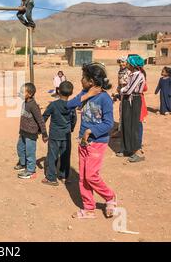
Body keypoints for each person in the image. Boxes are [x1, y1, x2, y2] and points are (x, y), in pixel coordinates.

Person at [67, 63, 116, 219]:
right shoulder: (84, 93)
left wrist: (91, 131)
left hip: (97, 142)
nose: (81, 80)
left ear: (91, 81)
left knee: (91, 176)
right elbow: (69, 105)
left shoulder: (105, 99)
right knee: (82, 177)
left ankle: (109, 197)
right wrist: (87, 95)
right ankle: (89, 209)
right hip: (83, 141)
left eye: (84, 77)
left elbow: (108, 123)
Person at [42, 81, 76, 186]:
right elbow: (74, 119)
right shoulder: (72, 106)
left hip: (54, 135)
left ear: (58, 91)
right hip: (66, 135)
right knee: (65, 156)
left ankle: (51, 178)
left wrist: (43, 132)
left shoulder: (53, 105)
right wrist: (71, 129)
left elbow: (44, 117)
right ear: (71, 93)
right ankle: (64, 176)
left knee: (52, 156)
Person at [14, 83, 48, 179]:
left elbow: (40, 120)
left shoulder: (33, 106)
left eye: (22, 92)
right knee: (20, 148)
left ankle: (30, 170)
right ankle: (23, 164)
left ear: (29, 94)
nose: (20, 93)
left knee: (30, 152)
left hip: (31, 134)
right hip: (23, 132)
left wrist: (44, 133)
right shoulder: (24, 102)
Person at [117, 55, 146, 163]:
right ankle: (127, 149)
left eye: (128, 63)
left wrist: (121, 90)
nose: (126, 64)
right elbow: (126, 88)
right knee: (126, 124)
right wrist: (123, 90)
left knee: (134, 126)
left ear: (133, 65)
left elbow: (129, 90)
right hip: (128, 100)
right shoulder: (132, 74)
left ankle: (137, 152)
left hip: (134, 101)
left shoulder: (139, 75)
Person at [111, 56, 130, 137]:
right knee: (121, 110)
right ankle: (120, 127)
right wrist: (116, 93)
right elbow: (119, 84)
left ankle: (122, 130)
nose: (121, 64)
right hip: (122, 94)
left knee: (125, 111)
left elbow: (128, 85)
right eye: (120, 62)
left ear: (127, 63)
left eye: (123, 62)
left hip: (127, 94)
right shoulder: (120, 72)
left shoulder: (129, 72)